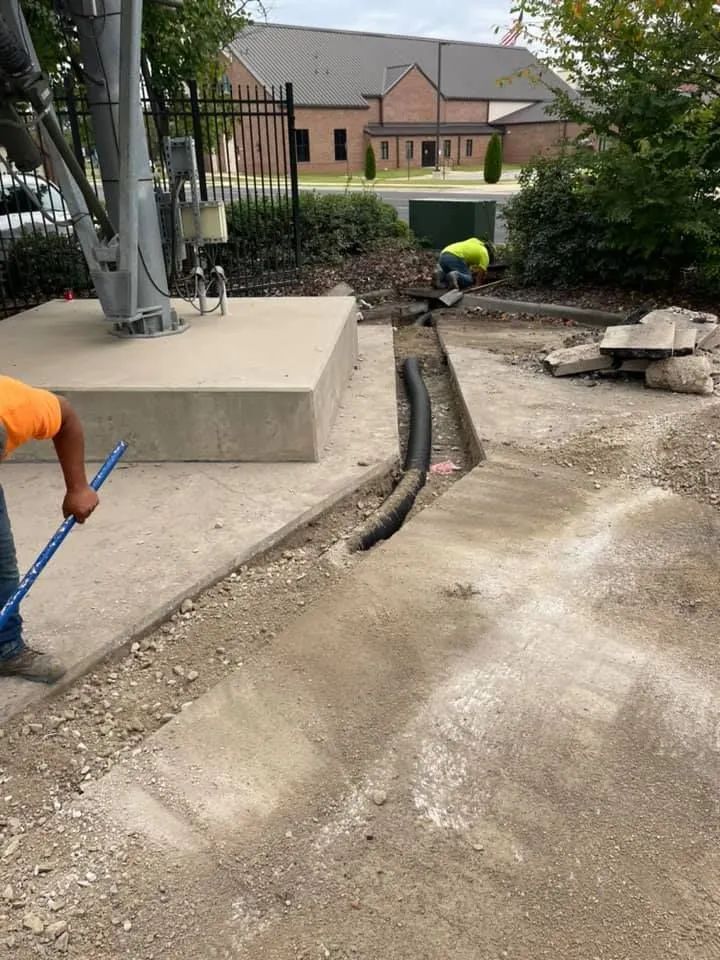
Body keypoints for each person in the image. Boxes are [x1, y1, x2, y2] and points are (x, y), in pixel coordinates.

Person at [0, 376, 98, 683]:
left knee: (1, 566)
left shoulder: (11, 405)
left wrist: (78, 488)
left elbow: (65, 416)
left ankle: (6, 648)